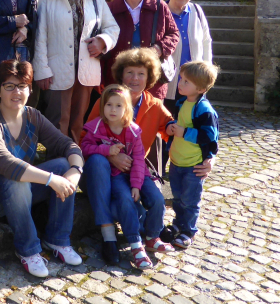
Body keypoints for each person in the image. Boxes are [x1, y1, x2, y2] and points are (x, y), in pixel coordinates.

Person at [84, 48, 215, 263]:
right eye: (129, 73)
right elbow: (85, 137)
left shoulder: (154, 105)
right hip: (103, 169)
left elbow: (176, 130)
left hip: (135, 170)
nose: (135, 78)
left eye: (141, 73)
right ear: (121, 74)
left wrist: (209, 156)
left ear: (149, 77)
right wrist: (110, 156)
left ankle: (150, 235)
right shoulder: (108, 100)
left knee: (151, 199)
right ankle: (112, 236)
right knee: (117, 188)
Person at [0, 60, 85, 277]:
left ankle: (58, 240)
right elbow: (5, 163)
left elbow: (67, 145)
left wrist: (75, 171)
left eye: (22, 86)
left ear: (30, 90)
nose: (17, 92)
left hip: (23, 193)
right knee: (17, 179)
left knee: (64, 164)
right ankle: (28, 250)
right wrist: (51, 180)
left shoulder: (33, 115)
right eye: (9, 86)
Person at [81, 84, 174, 270]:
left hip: (137, 175)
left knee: (156, 198)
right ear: (102, 106)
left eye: (118, 106)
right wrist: (106, 150)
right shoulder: (96, 127)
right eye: (109, 105)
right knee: (125, 200)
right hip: (115, 175)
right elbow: (85, 148)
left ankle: (152, 236)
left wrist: (136, 185)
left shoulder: (133, 130)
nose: (113, 110)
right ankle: (135, 244)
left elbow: (139, 159)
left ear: (126, 109)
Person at [33, 0, 120, 143]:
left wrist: (102, 41)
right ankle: (57, 164)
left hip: (86, 70)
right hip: (57, 71)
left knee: (77, 122)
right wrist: (42, 69)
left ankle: (75, 163)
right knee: (57, 121)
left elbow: (113, 28)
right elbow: (40, 36)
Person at [103, 0, 179, 100]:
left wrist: (159, 48)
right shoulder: (110, 8)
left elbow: (173, 34)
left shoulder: (159, 6)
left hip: (151, 80)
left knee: (149, 116)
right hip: (118, 77)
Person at [164, 61, 219, 249]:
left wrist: (184, 132)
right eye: (181, 79)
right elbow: (176, 121)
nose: (180, 83)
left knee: (190, 200)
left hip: (193, 165)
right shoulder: (181, 102)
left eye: (186, 81)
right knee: (178, 197)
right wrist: (170, 127)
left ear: (201, 88)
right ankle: (179, 224)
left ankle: (188, 231)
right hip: (177, 160)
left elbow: (210, 137)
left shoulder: (204, 110)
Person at [162, 0, 213, 111]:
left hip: (194, 82)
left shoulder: (197, 11)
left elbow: (206, 41)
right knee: (169, 124)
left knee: (191, 123)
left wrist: (207, 70)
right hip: (168, 81)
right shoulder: (160, 12)